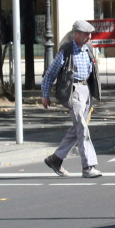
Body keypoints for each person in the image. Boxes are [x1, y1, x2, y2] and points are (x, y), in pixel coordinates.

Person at [40, 20, 103, 178]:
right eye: (85, 34)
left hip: (86, 90)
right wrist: (45, 95)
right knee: (82, 127)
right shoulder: (66, 50)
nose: (89, 36)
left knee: (77, 129)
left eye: (90, 33)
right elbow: (50, 74)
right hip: (73, 91)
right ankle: (88, 167)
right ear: (76, 34)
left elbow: (92, 71)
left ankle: (56, 159)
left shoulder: (88, 48)